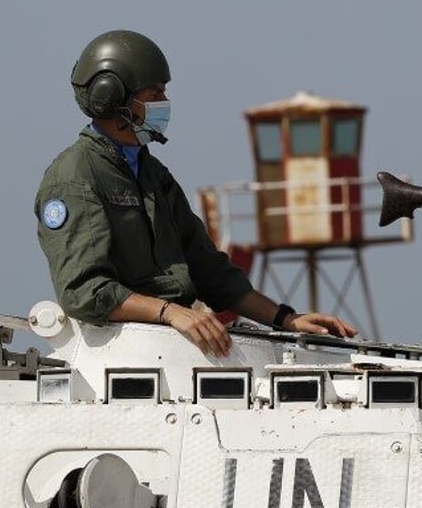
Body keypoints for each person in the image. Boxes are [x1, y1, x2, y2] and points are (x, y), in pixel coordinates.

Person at [35, 30, 356, 357]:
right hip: (122, 354)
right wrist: (169, 312)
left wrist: (285, 319)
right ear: (112, 97)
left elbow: (208, 270)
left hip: (173, 347)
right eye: (155, 93)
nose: (164, 103)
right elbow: (84, 292)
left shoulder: (153, 174)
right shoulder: (74, 178)